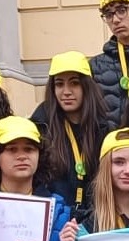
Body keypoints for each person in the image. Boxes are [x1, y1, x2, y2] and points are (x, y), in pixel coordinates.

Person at [33, 50, 113, 209]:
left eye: (74, 83)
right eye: (59, 84)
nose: (66, 92)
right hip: (56, 215)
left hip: (96, 216)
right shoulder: (40, 127)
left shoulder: (104, 128)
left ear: (87, 86)